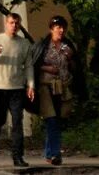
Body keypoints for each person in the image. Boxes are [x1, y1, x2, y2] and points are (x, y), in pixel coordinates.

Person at [0, 12, 35, 168]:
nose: (14, 26)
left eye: (17, 23)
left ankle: (18, 156)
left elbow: (29, 66)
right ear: (6, 23)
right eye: (11, 23)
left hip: (16, 88)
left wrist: (31, 85)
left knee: (17, 123)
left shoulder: (24, 43)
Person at [32, 15, 87, 166]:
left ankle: (49, 153)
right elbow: (34, 65)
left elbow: (76, 69)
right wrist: (46, 67)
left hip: (63, 88)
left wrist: (71, 59)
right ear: (51, 29)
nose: (61, 30)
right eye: (58, 27)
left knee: (59, 120)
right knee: (51, 120)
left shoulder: (67, 46)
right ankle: (55, 154)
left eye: (63, 27)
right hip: (46, 87)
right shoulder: (43, 46)